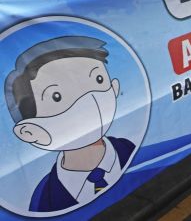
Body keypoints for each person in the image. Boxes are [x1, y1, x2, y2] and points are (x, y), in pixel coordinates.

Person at [4, 36, 135, 213]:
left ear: (114, 88)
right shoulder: (43, 202)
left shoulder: (133, 151)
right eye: (56, 96)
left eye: (98, 80)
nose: (91, 100)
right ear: (30, 132)